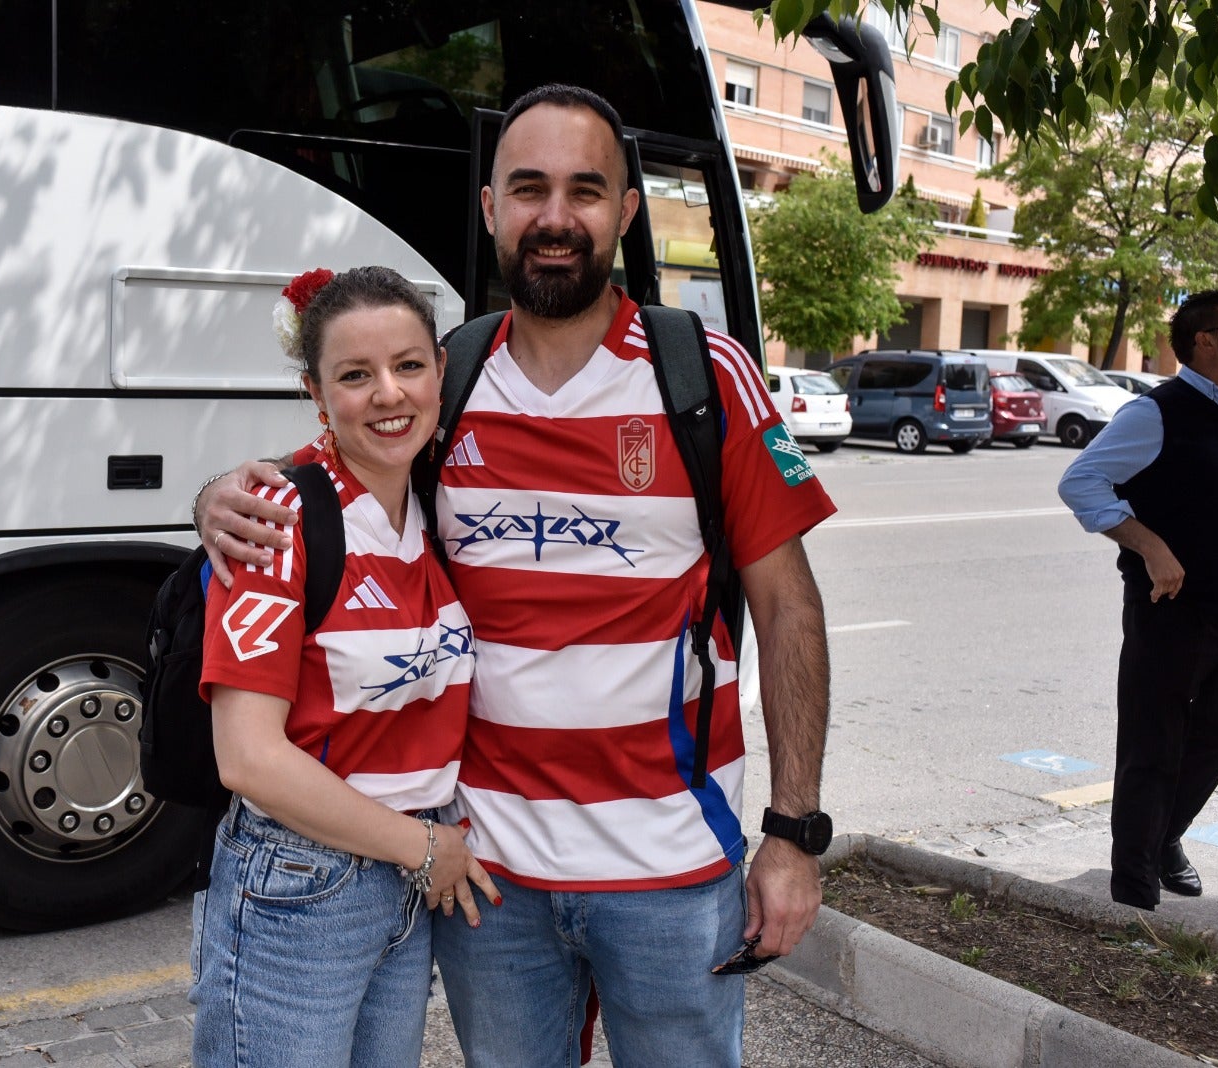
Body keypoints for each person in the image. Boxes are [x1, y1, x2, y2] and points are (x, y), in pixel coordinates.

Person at [196, 85, 835, 1067]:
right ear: (491, 208)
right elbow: (327, 475)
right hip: (486, 877)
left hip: (669, 870)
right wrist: (217, 499)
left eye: (585, 191)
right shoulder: (446, 376)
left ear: (625, 213)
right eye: (528, 188)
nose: (554, 216)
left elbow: (788, 608)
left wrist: (792, 833)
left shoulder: (704, 378)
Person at [189, 265, 498, 1068]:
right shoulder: (277, 521)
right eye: (355, 376)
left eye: (408, 366)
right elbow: (247, 756)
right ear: (316, 394)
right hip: (302, 884)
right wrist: (425, 847)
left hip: (406, 878)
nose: (389, 394)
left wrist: (421, 850)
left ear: (440, 370)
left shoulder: (436, 503)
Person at [1058, 288, 1218, 911]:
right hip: (1172, 612)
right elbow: (1081, 481)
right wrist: (1148, 543)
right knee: (1152, 747)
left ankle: (1165, 837)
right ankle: (1132, 896)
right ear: (1206, 341)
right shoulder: (1156, 412)